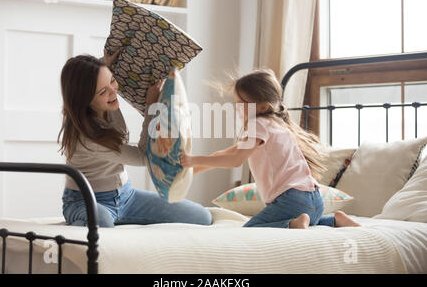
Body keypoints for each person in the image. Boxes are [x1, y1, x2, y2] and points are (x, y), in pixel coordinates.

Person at [179, 69, 360, 229]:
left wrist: (194, 159)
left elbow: (235, 160)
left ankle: (293, 224)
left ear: (263, 107)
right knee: (308, 219)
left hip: (291, 201)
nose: (237, 110)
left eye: (241, 105)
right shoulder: (277, 124)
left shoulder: (257, 124)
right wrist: (187, 172)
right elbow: (226, 153)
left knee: (253, 228)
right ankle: (333, 221)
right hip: (315, 200)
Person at [58, 50, 212, 227]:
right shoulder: (88, 139)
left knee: (202, 217)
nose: (113, 92)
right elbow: (143, 157)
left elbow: (97, 78)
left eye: (112, 81)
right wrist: (150, 107)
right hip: (86, 200)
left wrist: (107, 64)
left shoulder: (103, 101)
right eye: (103, 92)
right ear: (85, 100)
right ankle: (81, 224)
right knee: (101, 222)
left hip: (126, 196)